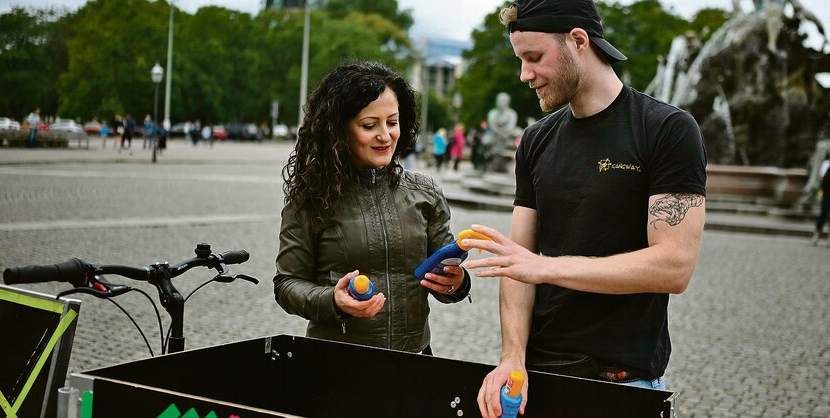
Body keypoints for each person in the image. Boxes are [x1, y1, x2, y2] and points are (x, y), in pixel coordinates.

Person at [467, 1, 707, 417]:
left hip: (620, 382)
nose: (525, 74)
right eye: (521, 60)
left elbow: (675, 265)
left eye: (534, 57)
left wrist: (546, 268)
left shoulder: (666, 129)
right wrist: (511, 356)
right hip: (537, 379)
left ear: (578, 41)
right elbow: (517, 266)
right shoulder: (536, 140)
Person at [273, 61, 470, 353]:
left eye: (392, 122)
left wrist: (456, 283)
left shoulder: (426, 193)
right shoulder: (312, 197)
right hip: (338, 363)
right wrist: (333, 301)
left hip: (415, 360)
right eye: (369, 125)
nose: (385, 135)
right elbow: (287, 284)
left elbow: (444, 278)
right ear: (339, 130)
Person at [812, 153, 830, 246]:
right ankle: (817, 234)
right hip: (827, 193)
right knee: (823, 213)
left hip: (826, 193)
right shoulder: (826, 164)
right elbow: (821, 178)